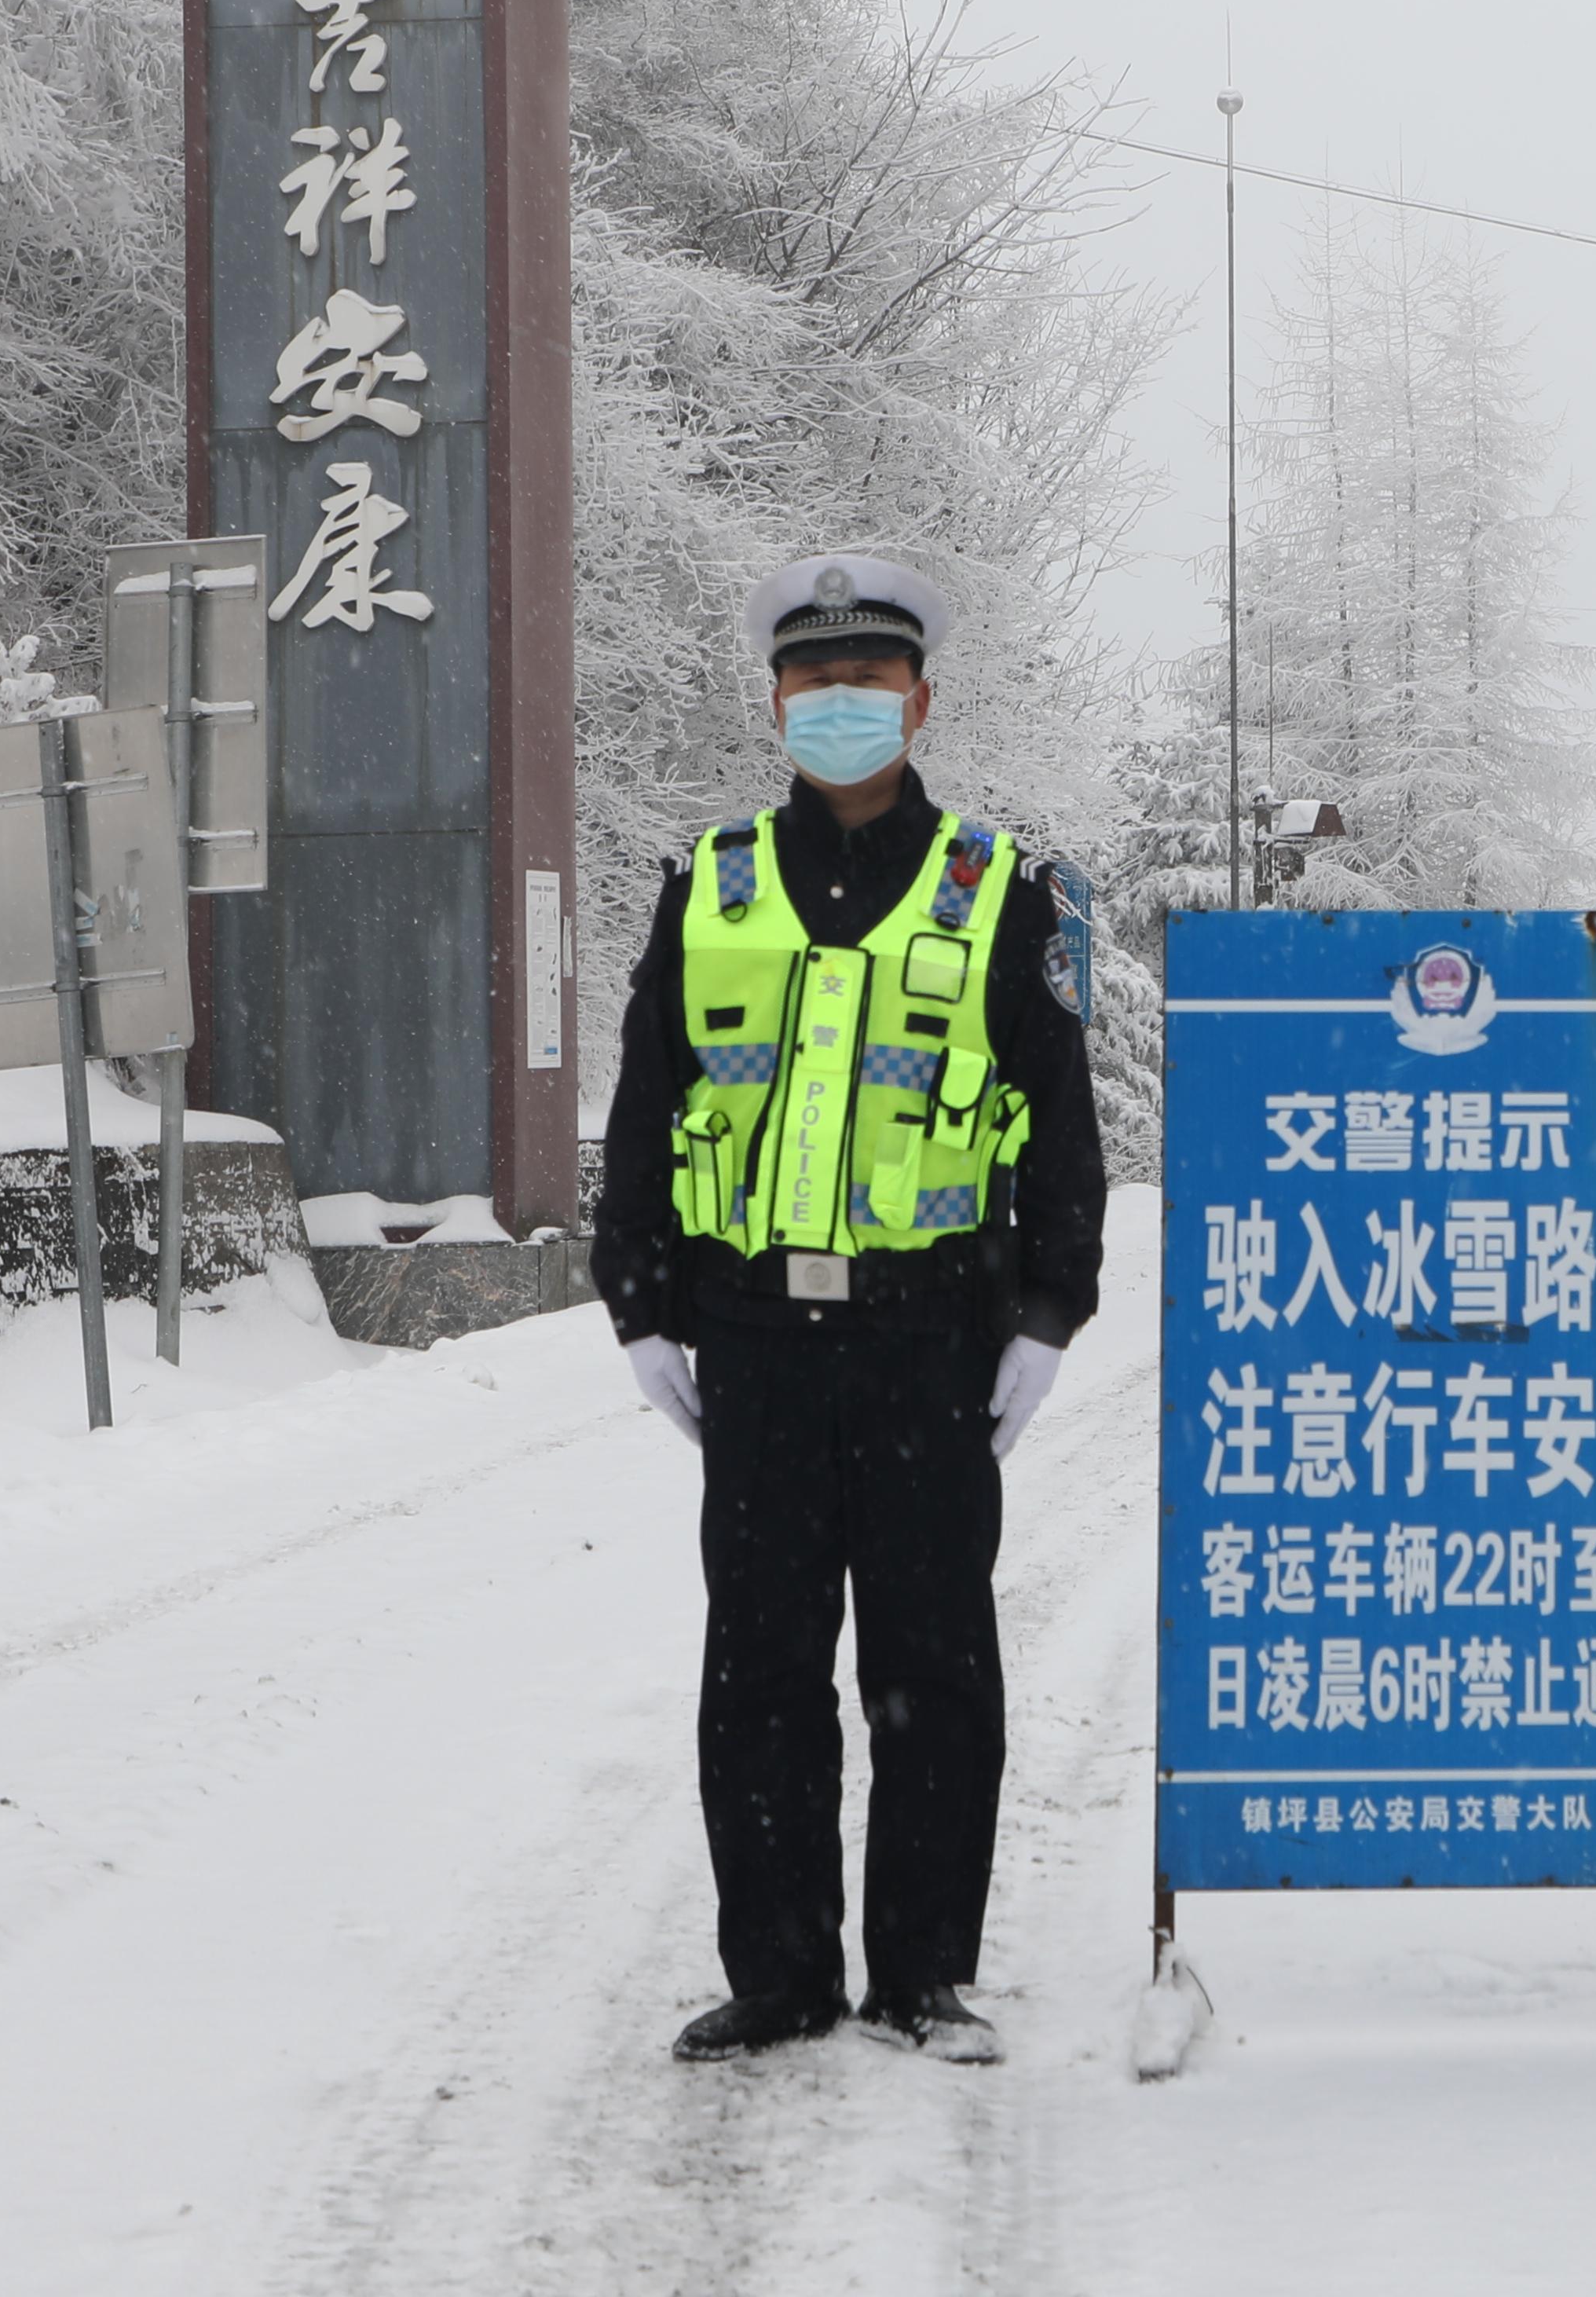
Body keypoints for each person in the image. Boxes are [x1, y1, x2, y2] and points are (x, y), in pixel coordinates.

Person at [595, 553, 1101, 2067]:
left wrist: (1049, 1316)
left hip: (930, 1338)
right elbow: (646, 1105)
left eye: (868, 684)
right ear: (775, 704)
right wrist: (637, 1306)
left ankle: (925, 1974)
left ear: (921, 699)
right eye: (814, 686)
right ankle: (783, 1974)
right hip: (751, 1337)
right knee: (758, 1665)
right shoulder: (712, 886)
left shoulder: (1004, 893)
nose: (840, 707)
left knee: (933, 1663)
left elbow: (1058, 1118)